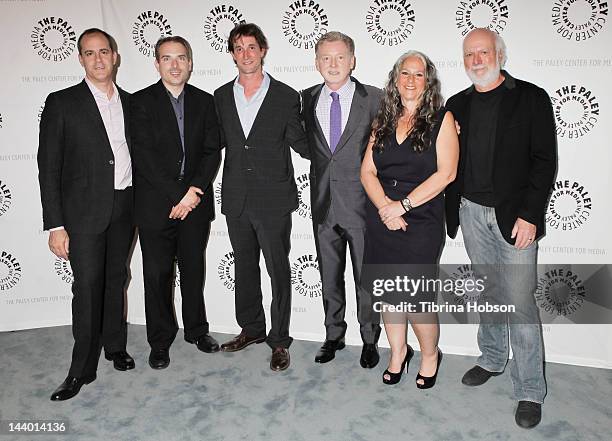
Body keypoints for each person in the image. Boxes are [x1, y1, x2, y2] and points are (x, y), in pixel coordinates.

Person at [445, 28, 557, 428]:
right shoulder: (455, 105)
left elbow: (544, 161)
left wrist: (531, 215)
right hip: (472, 213)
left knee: (520, 301)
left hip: (514, 218)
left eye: (483, 52)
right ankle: (492, 358)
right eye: (469, 54)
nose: (477, 59)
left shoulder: (531, 98)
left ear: (500, 55)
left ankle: (529, 388)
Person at [38, 28, 136, 401]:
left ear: (115, 56)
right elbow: (48, 167)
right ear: (80, 59)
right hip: (83, 213)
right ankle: (80, 370)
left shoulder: (130, 102)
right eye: (89, 53)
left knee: (116, 278)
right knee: (87, 285)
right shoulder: (62, 103)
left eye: (104, 52)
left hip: (125, 206)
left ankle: (114, 346)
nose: (98, 59)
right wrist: (56, 224)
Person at [360, 51, 459, 388]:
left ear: (427, 81)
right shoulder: (383, 118)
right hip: (382, 215)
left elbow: (446, 174)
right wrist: (386, 208)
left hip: (422, 218)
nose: (411, 80)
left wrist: (401, 206)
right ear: (395, 78)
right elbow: (367, 171)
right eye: (405, 73)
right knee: (389, 293)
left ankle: (430, 355)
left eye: (419, 74)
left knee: (416, 298)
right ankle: (398, 352)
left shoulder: (442, 119)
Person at [214, 23, 309, 371]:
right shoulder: (221, 97)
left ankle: (279, 340)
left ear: (263, 50)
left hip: (273, 198)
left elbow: (302, 143)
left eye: (251, 47)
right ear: (232, 54)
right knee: (244, 267)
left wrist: (342, 145)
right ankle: (251, 329)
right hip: (236, 197)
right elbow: (212, 145)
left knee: (278, 270)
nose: (246, 54)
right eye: (238, 48)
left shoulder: (286, 96)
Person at [131, 36, 221, 370]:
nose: (174, 64)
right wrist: (176, 195)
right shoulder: (140, 102)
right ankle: (160, 340)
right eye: (167, 58)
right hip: (157, 205)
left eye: (181, 58)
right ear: (157, 64)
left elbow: (213, 150)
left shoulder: (205, 101)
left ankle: (197, 330)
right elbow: (144, 156)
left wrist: (194, 190)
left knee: (193, 269)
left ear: (190, 63)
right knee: (157, 275)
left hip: (195, 204)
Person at [301, 31, 382, 367]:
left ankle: (369, 339)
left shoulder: (375, 98)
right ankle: (333, 335)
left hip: (362, 206)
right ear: (317, 62)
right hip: (322, 205)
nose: (332, 64)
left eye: (339, 57)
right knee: (329, 276)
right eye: (326, 58)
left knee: (366, 278)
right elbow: (309, 146)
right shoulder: (305, 99)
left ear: (352, 61)